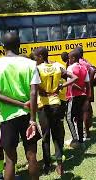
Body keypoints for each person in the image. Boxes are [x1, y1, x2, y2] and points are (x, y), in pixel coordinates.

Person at [0, 32, 40, 180]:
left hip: (7, 117)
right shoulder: (30, 64)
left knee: (10, 159)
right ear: (19, 46)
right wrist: (32, 118)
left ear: (2, 46)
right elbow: (34, 93)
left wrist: (19, 104)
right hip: (28, 115)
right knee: (32, 156)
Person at [34, 47, 78, 175]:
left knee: (46, 136)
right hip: (56, 103)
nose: (34, 59)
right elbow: (74, 77)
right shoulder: (57, 67)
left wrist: (39, 90)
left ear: (41, 56)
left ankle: (47, 165)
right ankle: (59, 163)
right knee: (57, 135)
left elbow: (33, 87)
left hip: (44, 105)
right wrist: (61, 86)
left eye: (35, 57)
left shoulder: (37, 69)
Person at [65, 50, 91, 148]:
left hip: (73, 96)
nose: (69, 60)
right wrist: (87, 96)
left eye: (69, 58)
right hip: (83, 96)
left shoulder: (70, 68)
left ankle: (75, 139)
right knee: (79, 118)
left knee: (69, 118)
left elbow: (70, 83)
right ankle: (81, 140)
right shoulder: (84, 68)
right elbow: (87, 84)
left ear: (73, 58)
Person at [75, 47, 96, 140]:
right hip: (87, 88)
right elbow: (95, 70)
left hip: (79, 90)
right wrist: (91, 82)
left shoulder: (76, 65)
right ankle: (87, 130)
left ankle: (83, 131)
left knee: (80, 112)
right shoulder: (86, 63)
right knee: (87, 109)